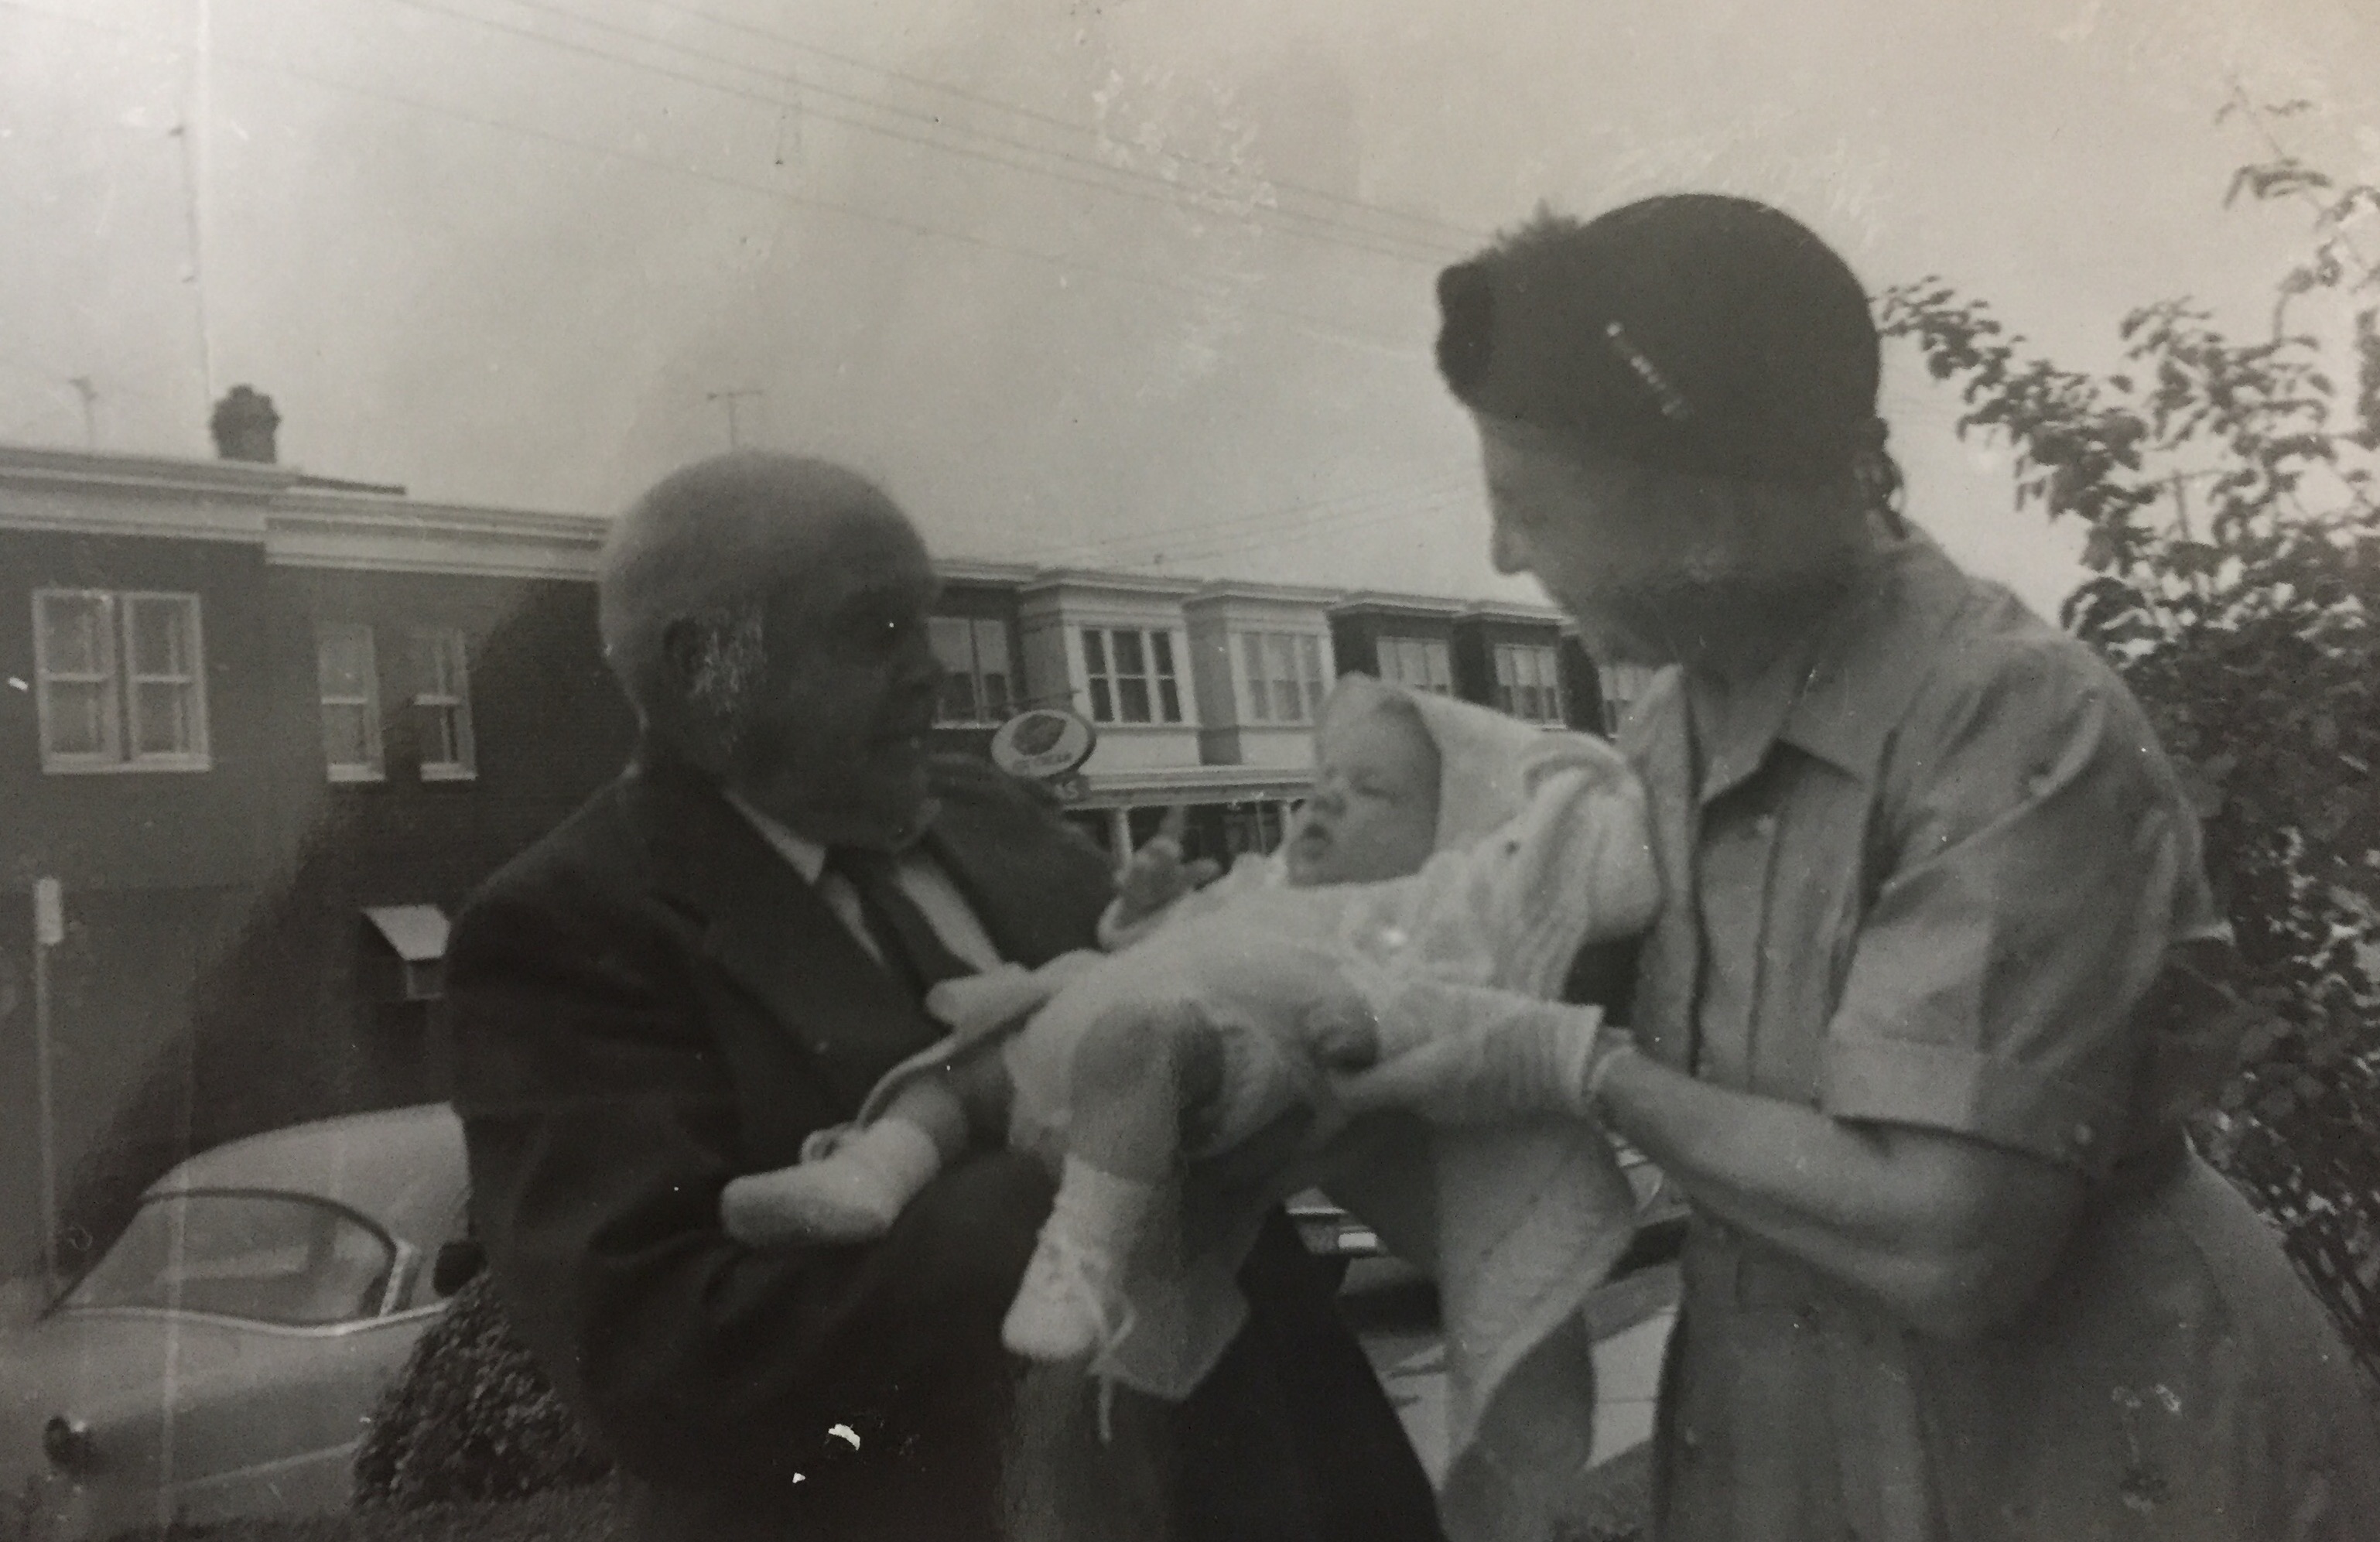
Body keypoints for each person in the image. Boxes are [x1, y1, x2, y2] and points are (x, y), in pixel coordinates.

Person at [1304, 193, 2380, 1541]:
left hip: (2081, 1452)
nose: (1503, 555)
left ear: (1700, 517)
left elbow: (1951, 1237)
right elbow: (1492, 1159)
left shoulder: (2008, 719)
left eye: (1526, 505)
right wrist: (1314, 1040)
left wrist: (1577, 1063)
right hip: (1792, 1437)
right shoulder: (1667, 730)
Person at [443, 452, 1444, 1542]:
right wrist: (1092, 1177)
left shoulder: (988, 816)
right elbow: (657, 1360)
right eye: (876, 631)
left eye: (929, 623)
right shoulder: (568, 930)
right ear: (704, 667)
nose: (933, 673)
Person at [721, 676, 1659, 1541]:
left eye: (1373, 792)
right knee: (965, 1070)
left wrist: (1366, 1016)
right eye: (1324, 778)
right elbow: (1163, 943)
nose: (1327, 797)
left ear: (1449, 833)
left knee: (1140, 1048)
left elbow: (1443, 987)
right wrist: (1148, 907)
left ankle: (1079, 1262)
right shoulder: (1263, 883)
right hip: (1064, 1038)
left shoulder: (1412, 910)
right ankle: (869, 1171)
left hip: (1202, 1063)